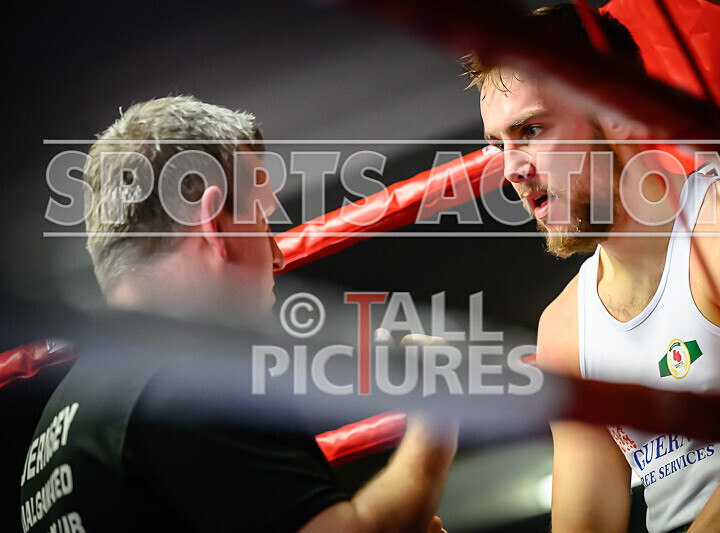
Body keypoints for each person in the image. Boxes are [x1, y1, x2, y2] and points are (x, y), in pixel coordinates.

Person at [19, 96, 456, 533]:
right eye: (263, 222)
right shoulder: (191, 376)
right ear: (216, 225)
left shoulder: (58, 426)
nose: (278, 256)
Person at [463, 4, 720, 533]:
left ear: (618, 108)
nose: (510, 172)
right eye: (498, 145)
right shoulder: (565, 328)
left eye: (531, 130)